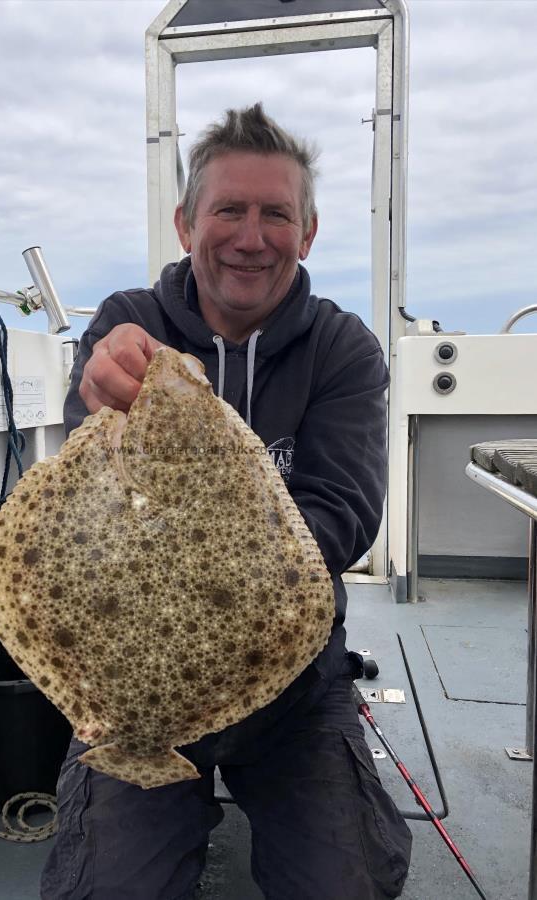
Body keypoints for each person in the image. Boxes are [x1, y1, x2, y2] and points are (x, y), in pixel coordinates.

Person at [41, 103, 412, 900]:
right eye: (228, 211)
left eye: (276, 213)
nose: (251, 236)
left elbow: (339, 519)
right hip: (129, 681)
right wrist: (102, 393)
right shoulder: (128, 323)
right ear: (184, 224)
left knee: (341, 885)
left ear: (306, 233)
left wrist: (206, 523)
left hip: (290, 677)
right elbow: (79, 498)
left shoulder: (340, 347)